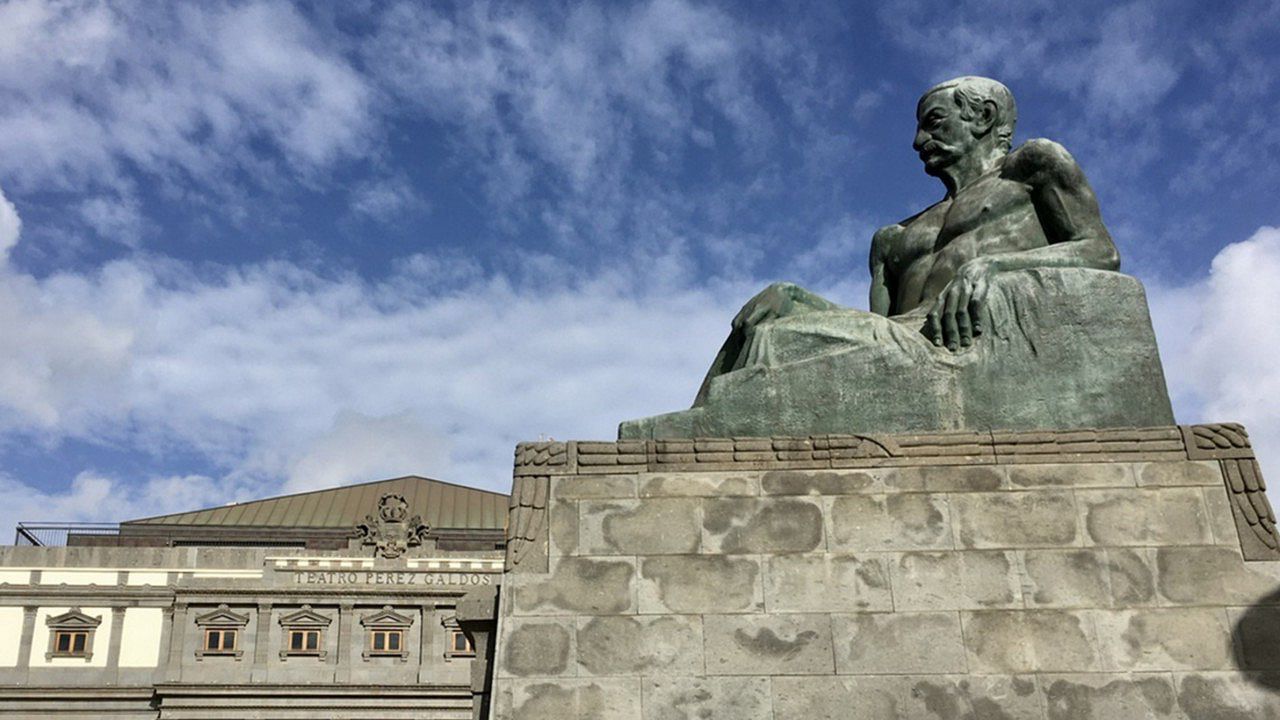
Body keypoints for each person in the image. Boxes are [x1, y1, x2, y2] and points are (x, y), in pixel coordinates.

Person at [699, 76, 1119, 400]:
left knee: (778, 341)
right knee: (768, 316)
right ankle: (697, 442)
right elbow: (876, 329)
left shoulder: (1031, 167)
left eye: (933, 124)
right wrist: (795, 297)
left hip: (956, 346)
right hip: (899, 348)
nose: (919, 141)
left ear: (984, 118)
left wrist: (994, 266)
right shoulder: (892, 238)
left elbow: (1101, 251)